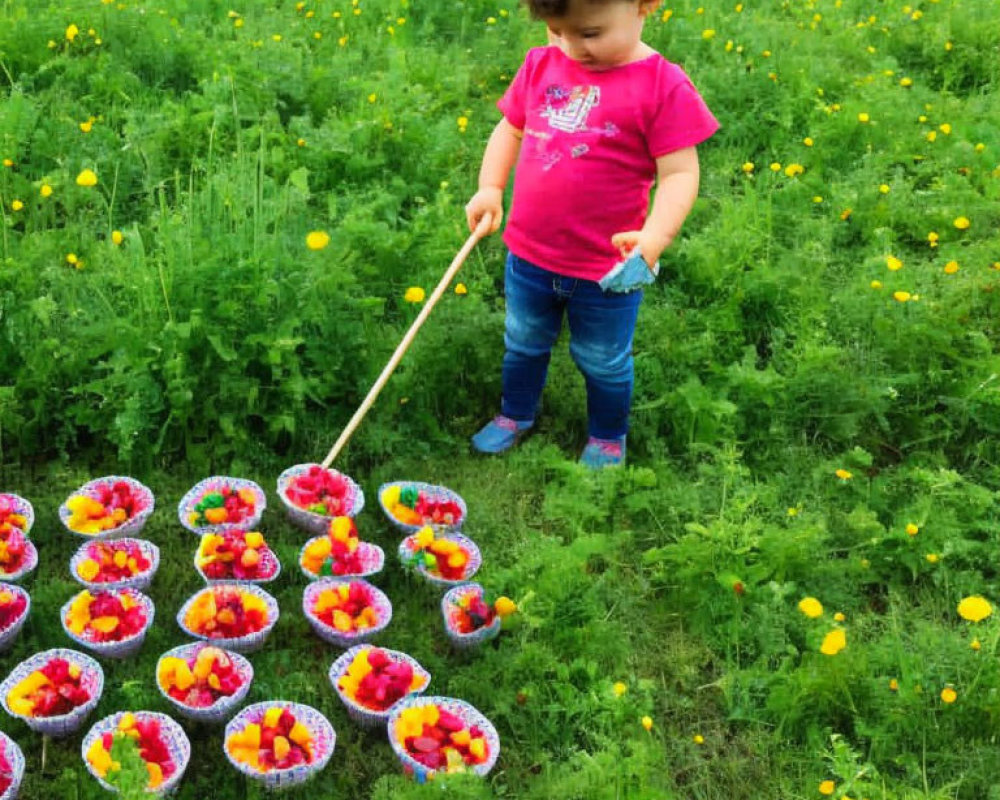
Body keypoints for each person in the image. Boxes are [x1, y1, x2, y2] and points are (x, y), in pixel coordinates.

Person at [465, 0, 719, 467]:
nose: (571, 47)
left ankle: (606, 435)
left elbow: (681, 173)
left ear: (645, 6)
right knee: (523, 340)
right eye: (557, 31)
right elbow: (511, 127)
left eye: (590, 33)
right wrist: (490, 188)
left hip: (607, 270)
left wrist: (655, 236)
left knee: (602, 359)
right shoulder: (543, 63)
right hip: (530, 256)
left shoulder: (663, 86)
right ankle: (515, 413)